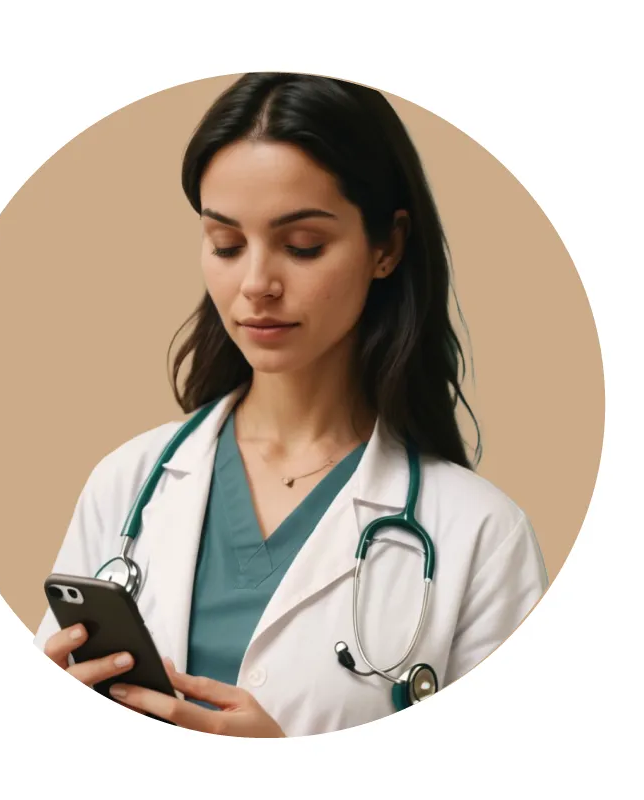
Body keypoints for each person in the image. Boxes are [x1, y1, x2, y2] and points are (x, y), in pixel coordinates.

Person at [33, 72, 548, 737]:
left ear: (387, 247)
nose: (255, 284)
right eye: (225, 245)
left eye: (302, 246)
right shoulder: (126, 485)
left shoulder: (481, 535)